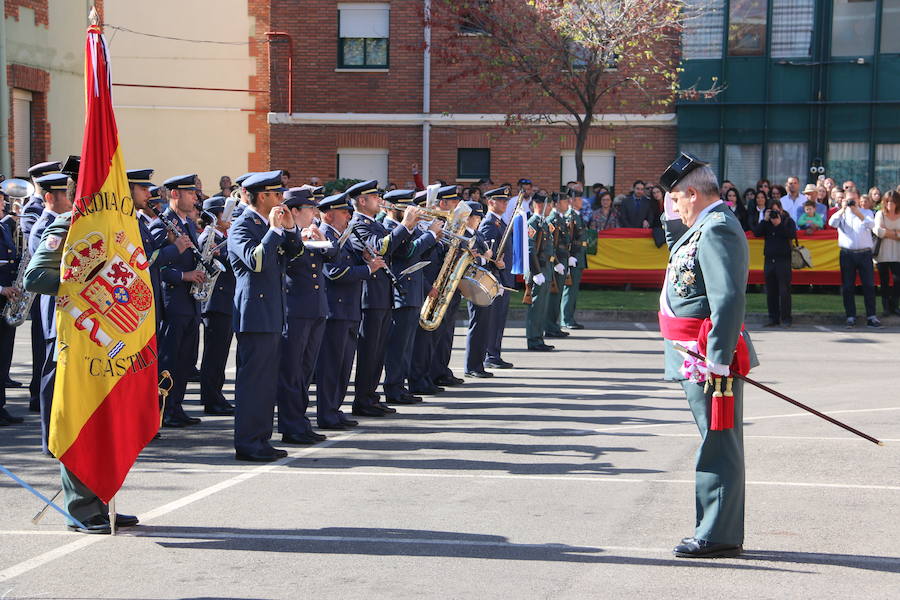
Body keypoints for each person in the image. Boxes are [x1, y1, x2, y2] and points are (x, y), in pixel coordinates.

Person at [24, 184, 139, 535]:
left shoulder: (110, 224)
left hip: (108, 341)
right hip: (78, 340)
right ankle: (80, 507)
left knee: (105, 420)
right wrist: (84, 282)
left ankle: (101, 499)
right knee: (79, 421)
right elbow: (35, 277)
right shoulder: (65, 226)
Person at [658, 152, 758, 559]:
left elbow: (728, 297)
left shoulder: (717, 228)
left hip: (707, 356)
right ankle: (719, 528)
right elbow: (680, 253)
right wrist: (670, 209)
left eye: (678, 198)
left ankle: (717, 532)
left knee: (718, 442)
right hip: (695, 355)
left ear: (693, 194)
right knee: (715, 439)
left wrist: (716, 357)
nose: (676, 206)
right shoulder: (703, 224)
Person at [228, 170, 302, 461]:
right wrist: (273, 231)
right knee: (254, 383)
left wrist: (290, 228)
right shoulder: (242, 226)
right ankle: (248, 442)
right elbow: (256, 262)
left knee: (266, 382)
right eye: (276, 195)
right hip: (254, 315)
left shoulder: (265, 223)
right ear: (262, 197)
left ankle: (261, 439)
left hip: (271, 312)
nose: (282, 200)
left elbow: (293, 255)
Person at [349, 180, 417, 417]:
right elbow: (380, 247)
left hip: (383, 295)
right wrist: (406, 224)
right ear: (362, 201)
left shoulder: (373, 224)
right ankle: (362, 399)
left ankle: (371, 396)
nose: (379, 199)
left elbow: (399, 250)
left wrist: (411, 229)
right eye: (374, 197)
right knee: (369, 352)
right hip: (370, 297)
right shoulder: (359, 225)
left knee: (378, 352)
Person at [276, 188, 338, 443]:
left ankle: (301, 421)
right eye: (310, 209)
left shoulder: (313, 233)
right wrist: (297, 238)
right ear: (294, 211)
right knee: (292, 371)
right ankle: (291, 426)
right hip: (295, 310)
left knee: (305, 369)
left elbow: (333, 256)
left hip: (316, 309)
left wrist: (322, 237)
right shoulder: (286, 236)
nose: (315, 213)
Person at [315, 191, 381, 429]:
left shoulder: (342, 236)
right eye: (344, 212)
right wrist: (368, 270)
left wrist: (364, 260)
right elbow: (334, 272)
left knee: (343, 365)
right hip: (335, 310)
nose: (348, 216)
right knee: (331, 366)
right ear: (330, 215)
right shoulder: (323, 236)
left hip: (349, 309)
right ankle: (326, 412)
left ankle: (335, 408)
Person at [151, 174, 205, 428]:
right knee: (169, 360)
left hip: (190, 302)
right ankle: (163, 409)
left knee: (186, 358)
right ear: (175, 195)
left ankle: (177, 406)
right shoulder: (163, 224)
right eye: (190, 193)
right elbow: (153, 266)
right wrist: (184, 275)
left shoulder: (188, 224)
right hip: (173, 302)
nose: (195, 197)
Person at [382, 189, 440, 404]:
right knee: (398, 346)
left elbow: (422, 254)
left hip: (413, 290)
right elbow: (407, 253)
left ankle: (400, 386)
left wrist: (434, 237)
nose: (410, 212)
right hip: (402, 291)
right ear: (392, 208)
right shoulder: (390, 229)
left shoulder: (409, 229)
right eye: (404, 208)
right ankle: (393, 388)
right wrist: (430, 235)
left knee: (406, 345)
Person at [30, 172, 74, 453]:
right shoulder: (48, 227)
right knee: (52, 376)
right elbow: (40, 275)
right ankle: (50, 440)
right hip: (54, 310)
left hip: (72, 311)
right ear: (50, 197)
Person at [196, 196, 236, 416]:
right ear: (214, 217)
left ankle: (215, 395)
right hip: (215, 302)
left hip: (224, 301)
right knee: (214, 354)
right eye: (225, 213)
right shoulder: (208, 238)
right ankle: (211, 398)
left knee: (219, 355)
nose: (229, 218)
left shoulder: (223, 238)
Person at [828, 192, 882, 328]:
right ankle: (850, 316)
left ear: (858, 200)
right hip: (847, 254)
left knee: (869, 285)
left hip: (864, 254)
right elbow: (832, 223)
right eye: (849, 200)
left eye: (853, 200)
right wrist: (843, 209)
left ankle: (871, 316)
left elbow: (871, 225)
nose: (851, 202)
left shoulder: (866, 212)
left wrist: (857, 212)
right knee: (848, 286)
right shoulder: (841, 214)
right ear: (844, 200)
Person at [480, 187, 515, 370]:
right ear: (490, 202)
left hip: (503, 277)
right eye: (501, 200)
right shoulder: (489, 223)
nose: (505, 203)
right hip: (495, 278)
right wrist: (497, 271)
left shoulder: (500, 222)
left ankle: (495, 352)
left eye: (506, 201)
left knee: (499, 319)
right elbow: (487, 253)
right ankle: (490, 354)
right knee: (493, 319)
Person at [753, 199, 796, 327]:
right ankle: (773, 318)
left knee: (784, 291)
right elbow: (757, 233)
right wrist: (765, 220)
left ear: (781, 210)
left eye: (776, 211)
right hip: (769, 260)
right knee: (771, 291)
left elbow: (792, 234)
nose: (774, 214)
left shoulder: (788, 221)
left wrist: (779, 224)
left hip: (783, 260)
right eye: (772, 211)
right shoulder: (766, 223)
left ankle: (786, 318)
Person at [0, 195, 21, 426]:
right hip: (1, 295)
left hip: (7, 300)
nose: (3, 203)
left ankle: (1, 408)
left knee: (4, 356)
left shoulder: (4, 226)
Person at [525, 193, 555, 351]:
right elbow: (530, 250)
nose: (550, 207)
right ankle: (533, 339)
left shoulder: (543, 223)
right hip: (538, 271)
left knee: (542, 307)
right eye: (548, 204)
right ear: (538, 205)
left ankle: (539, 337)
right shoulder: (533, 223)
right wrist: (536, 272)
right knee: (536, 307)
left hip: (546, 270)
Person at [544, 194, 571, 339]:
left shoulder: (560, 218)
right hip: (556, 263)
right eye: (565, 201)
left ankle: (554, 325)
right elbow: (550, 246)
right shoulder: (552, 220)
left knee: (558, 296)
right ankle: (549, 326)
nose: (568, 204)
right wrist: (556, 263)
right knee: (553, 296)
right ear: (557, 203)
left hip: (562, 261)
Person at [561, 190, 587, 330]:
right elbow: (568, 238)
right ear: (572, 201)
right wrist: (569, 255)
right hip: (573, 258)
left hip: (578, 257)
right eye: (578, 199)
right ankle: (566, 319)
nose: (581, 201)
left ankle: (570, 317)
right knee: (569, 289)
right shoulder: (570, 216)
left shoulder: (577, 215)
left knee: (573, 290)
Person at [873, 190, 900, 316]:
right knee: (884, 281)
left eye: (893, 201)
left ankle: (894, 305)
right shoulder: (880, 214)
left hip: (897, 254)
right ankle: (886, 308)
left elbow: (884, 232)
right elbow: (878, 231)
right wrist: (896, 233)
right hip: (882, 253)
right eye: (888, 201)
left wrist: (887, 232)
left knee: (898, 280)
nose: (890, 204)